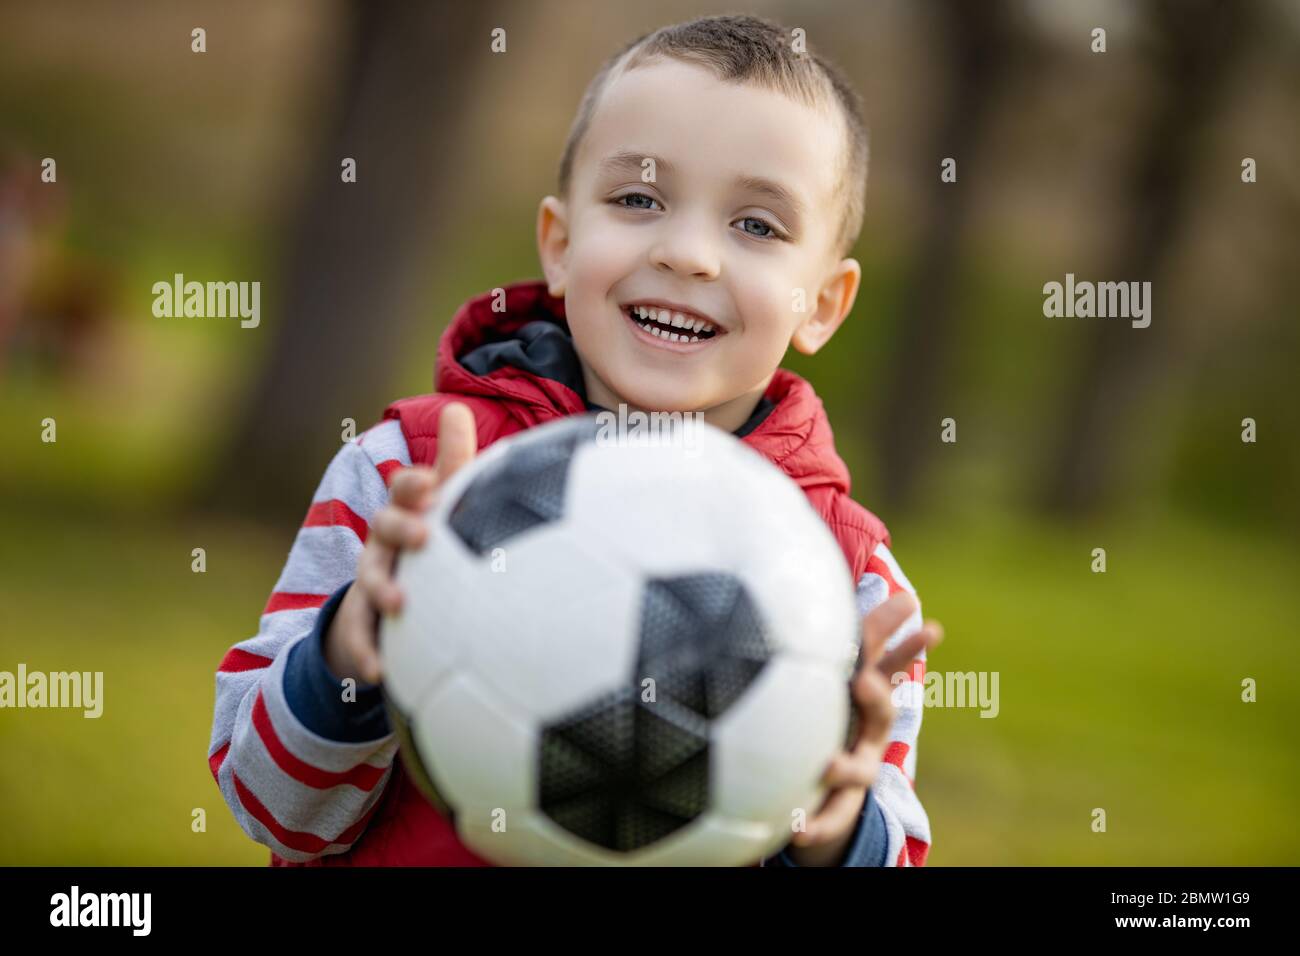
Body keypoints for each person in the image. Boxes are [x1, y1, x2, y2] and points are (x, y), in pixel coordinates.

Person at [209, 13, 942, 867]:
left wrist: (829, 820)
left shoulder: (847, 586)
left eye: (757, 225)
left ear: (821, 303)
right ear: (559, 245)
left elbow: (891, 846)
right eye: (638, 199)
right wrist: (353, 653)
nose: (689, 253)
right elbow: (273, 808)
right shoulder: (406, 479)